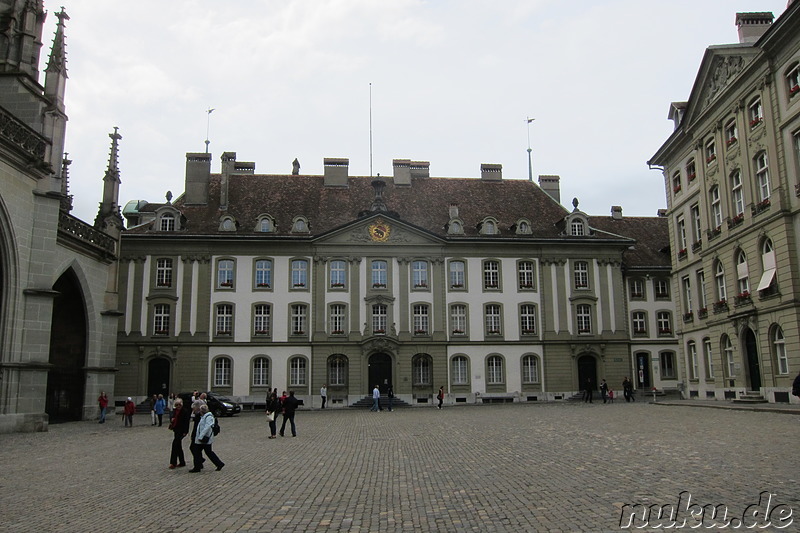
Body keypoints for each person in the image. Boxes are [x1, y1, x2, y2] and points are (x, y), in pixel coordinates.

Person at [189, 403, 224, 472]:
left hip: (205, 439)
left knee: (204, 452)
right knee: (200, 452)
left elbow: (206, 428)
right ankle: (199, 466)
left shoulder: (209, 417)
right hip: (202, 439)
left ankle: (198, 467)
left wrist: (200, 436)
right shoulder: (203, 417)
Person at [168, 398, 190, 469]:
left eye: (179, 405)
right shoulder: (175, 411)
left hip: (181, 430)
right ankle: (182, 461)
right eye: (177, 405)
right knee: (178, 446)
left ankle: (173, 463)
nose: (178, 406)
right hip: (176, 429)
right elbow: (173, 418)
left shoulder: (185, 411)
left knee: (175, 445)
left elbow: (187, 422)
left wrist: (185, 431)